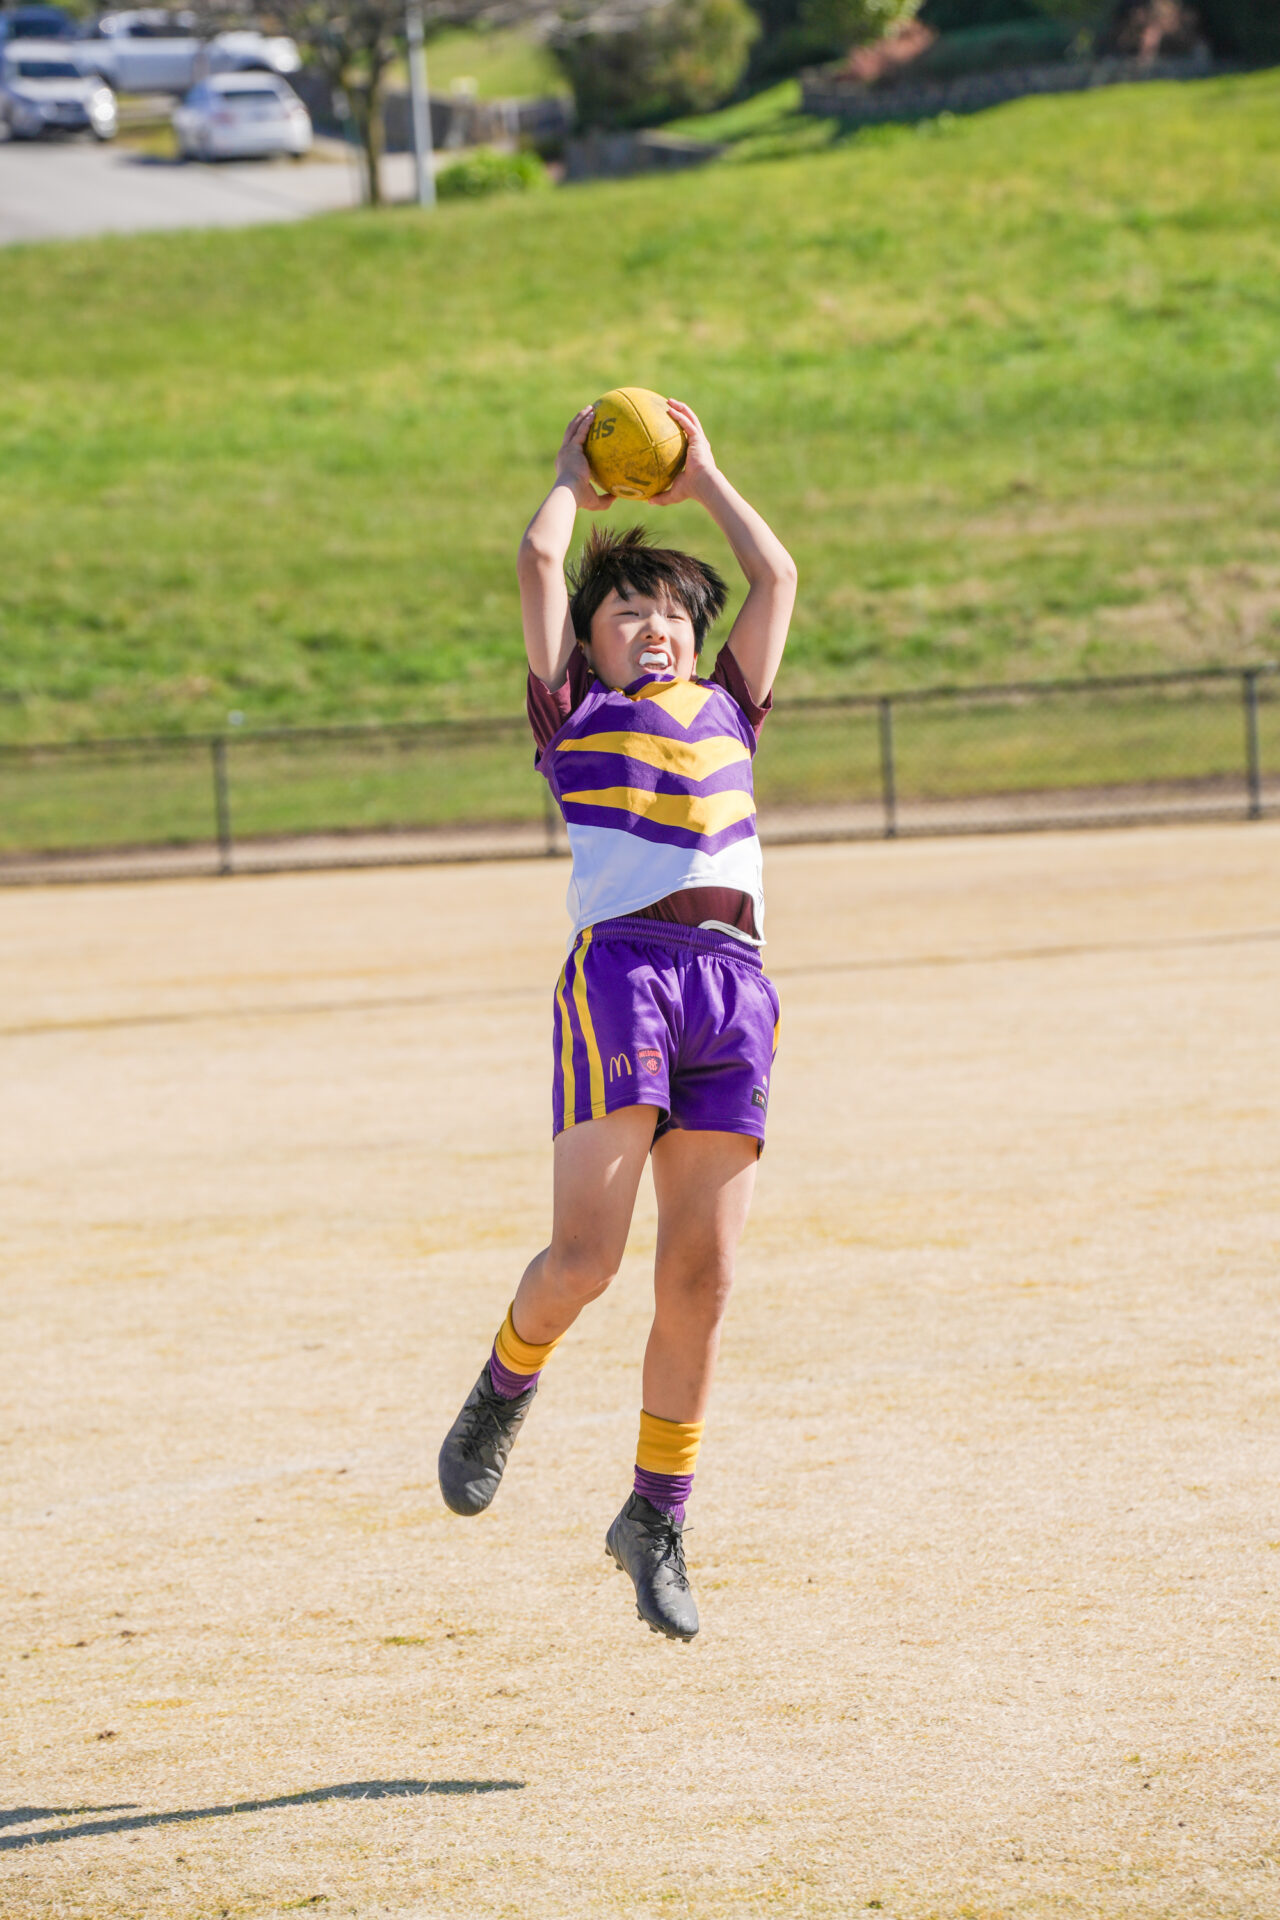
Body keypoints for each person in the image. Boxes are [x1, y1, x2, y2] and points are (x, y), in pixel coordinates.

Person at [437, 399, 797, 1641]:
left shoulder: (731, 706)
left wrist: (705, 477)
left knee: (702, 1274)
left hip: (733, 988)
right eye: (627, 612)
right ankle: (504, 1382)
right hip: (624, 976)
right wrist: (565, 478)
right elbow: (539, 560)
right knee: (584, 1260)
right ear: (587, 647)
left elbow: (774, 574)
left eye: (672, 612)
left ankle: (654, 1514)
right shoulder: (574, 715)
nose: (655, 626)